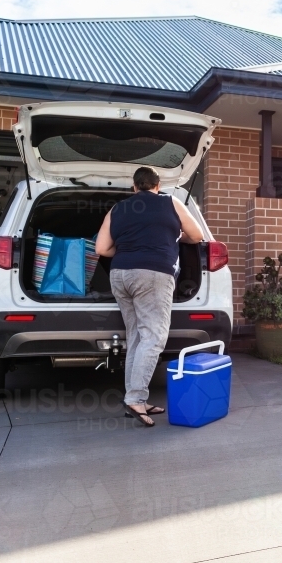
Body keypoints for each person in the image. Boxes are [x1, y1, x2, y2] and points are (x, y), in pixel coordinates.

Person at [95, 166, 204, 427]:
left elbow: (101, 248)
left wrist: (127, 252)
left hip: (120, 275)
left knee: (136, 336)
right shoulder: (171, 202)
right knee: (154, 337)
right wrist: (175, 236)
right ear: (158, 185)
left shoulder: (117, 208)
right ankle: (134, 399)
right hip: (153, 275)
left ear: (134, 187)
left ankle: (137, 400)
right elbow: (197, 235)